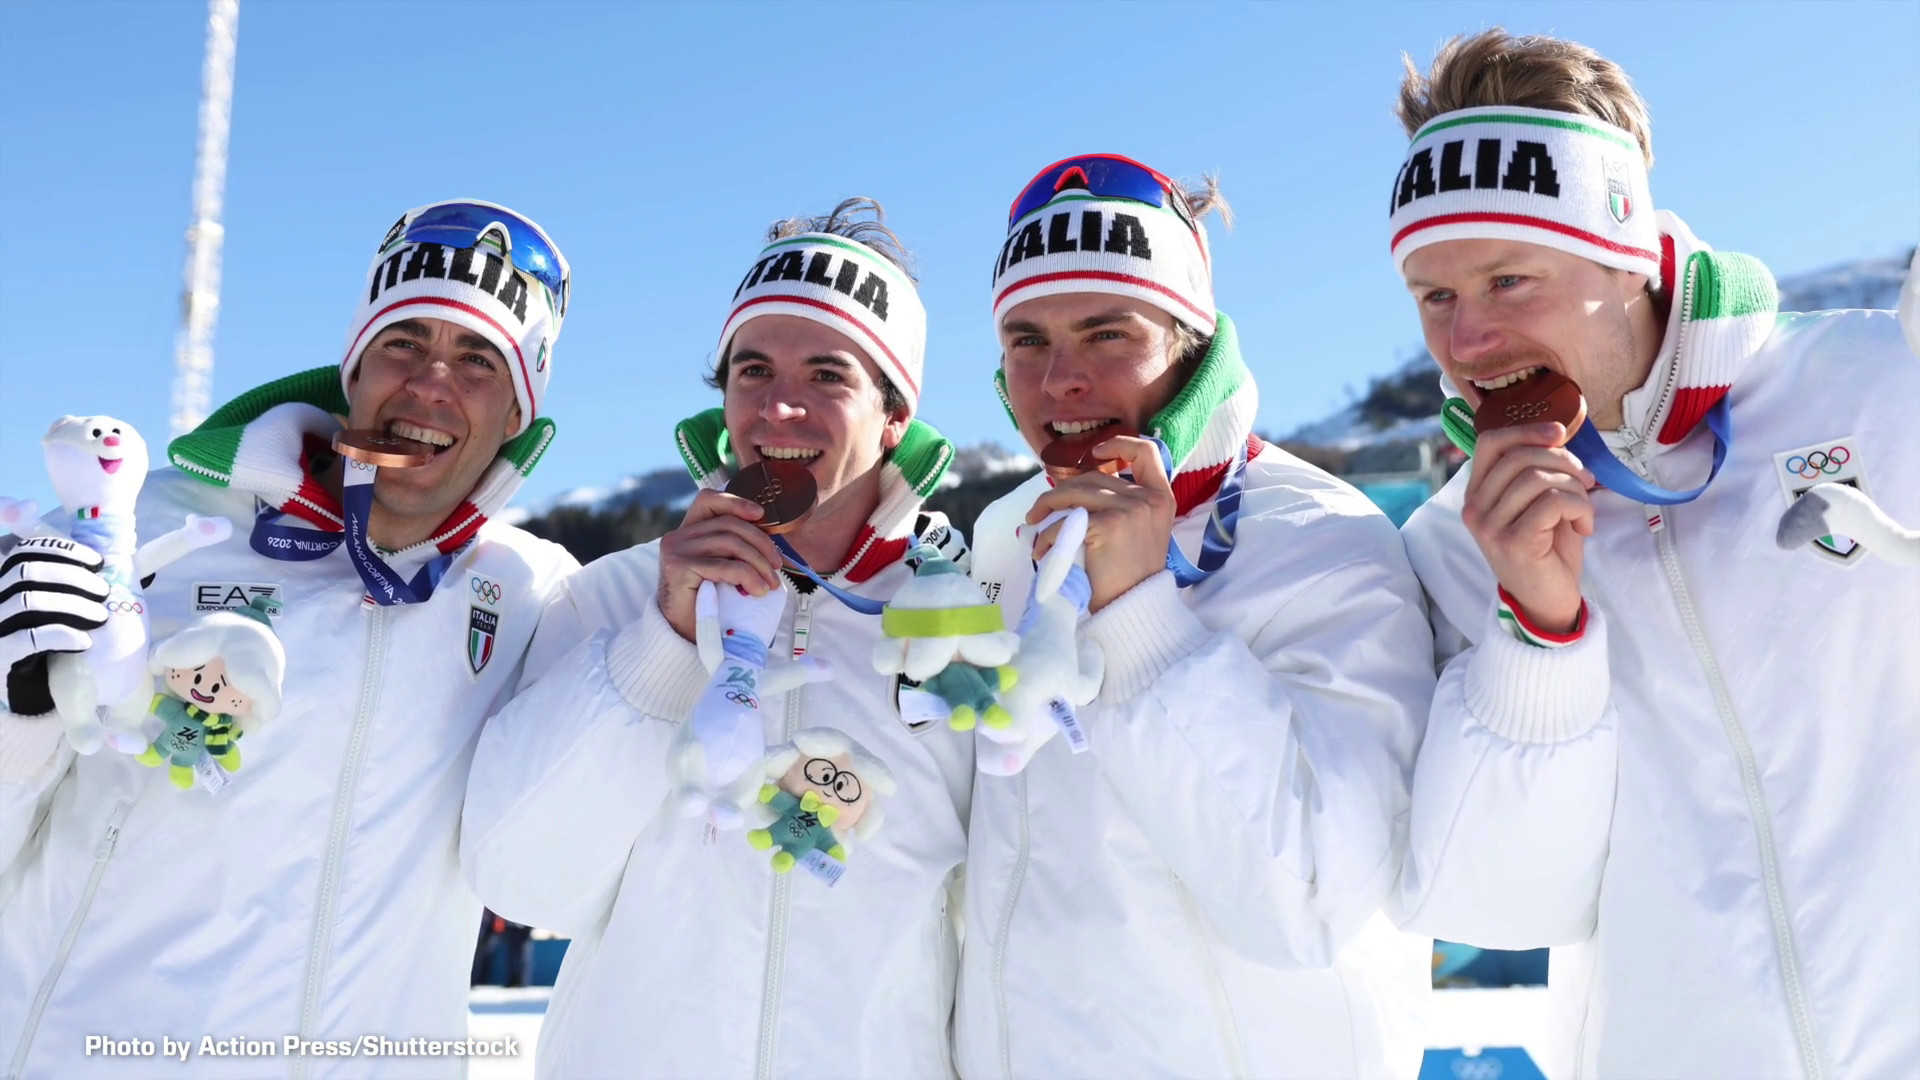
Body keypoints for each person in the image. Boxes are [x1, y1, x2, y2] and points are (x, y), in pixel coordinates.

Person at [1386, 30, 1920, 1079]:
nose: (1467, 343)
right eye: (1435, 297)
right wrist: (1539, 634)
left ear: (1623, 254)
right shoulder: (1452, 544)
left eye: (1508, 280)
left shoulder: (1883, 382)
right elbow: (1501, 906)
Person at [0, 200, 578, 1078]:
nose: (430, 384)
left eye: (478, 359)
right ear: (355, 370)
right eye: (403, 342)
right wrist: (18, 710)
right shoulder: (145, 529)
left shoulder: (536, 594)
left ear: (516, 416)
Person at [462, 198, 976, 1077]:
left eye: (827, 375)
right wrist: (662, 643)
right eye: (752, 370)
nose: (779, 407)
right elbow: (523, 881)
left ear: (894, 414)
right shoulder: (613, 597)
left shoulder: (961, 630)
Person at [956, 155, 1437, 1078]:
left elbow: (1310, 904)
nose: (1059, 380)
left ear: (1192, 344)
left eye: (1107, 334)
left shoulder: (1324, 538)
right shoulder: (1007, 539)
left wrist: (1142, 617)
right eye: (1026, 340)